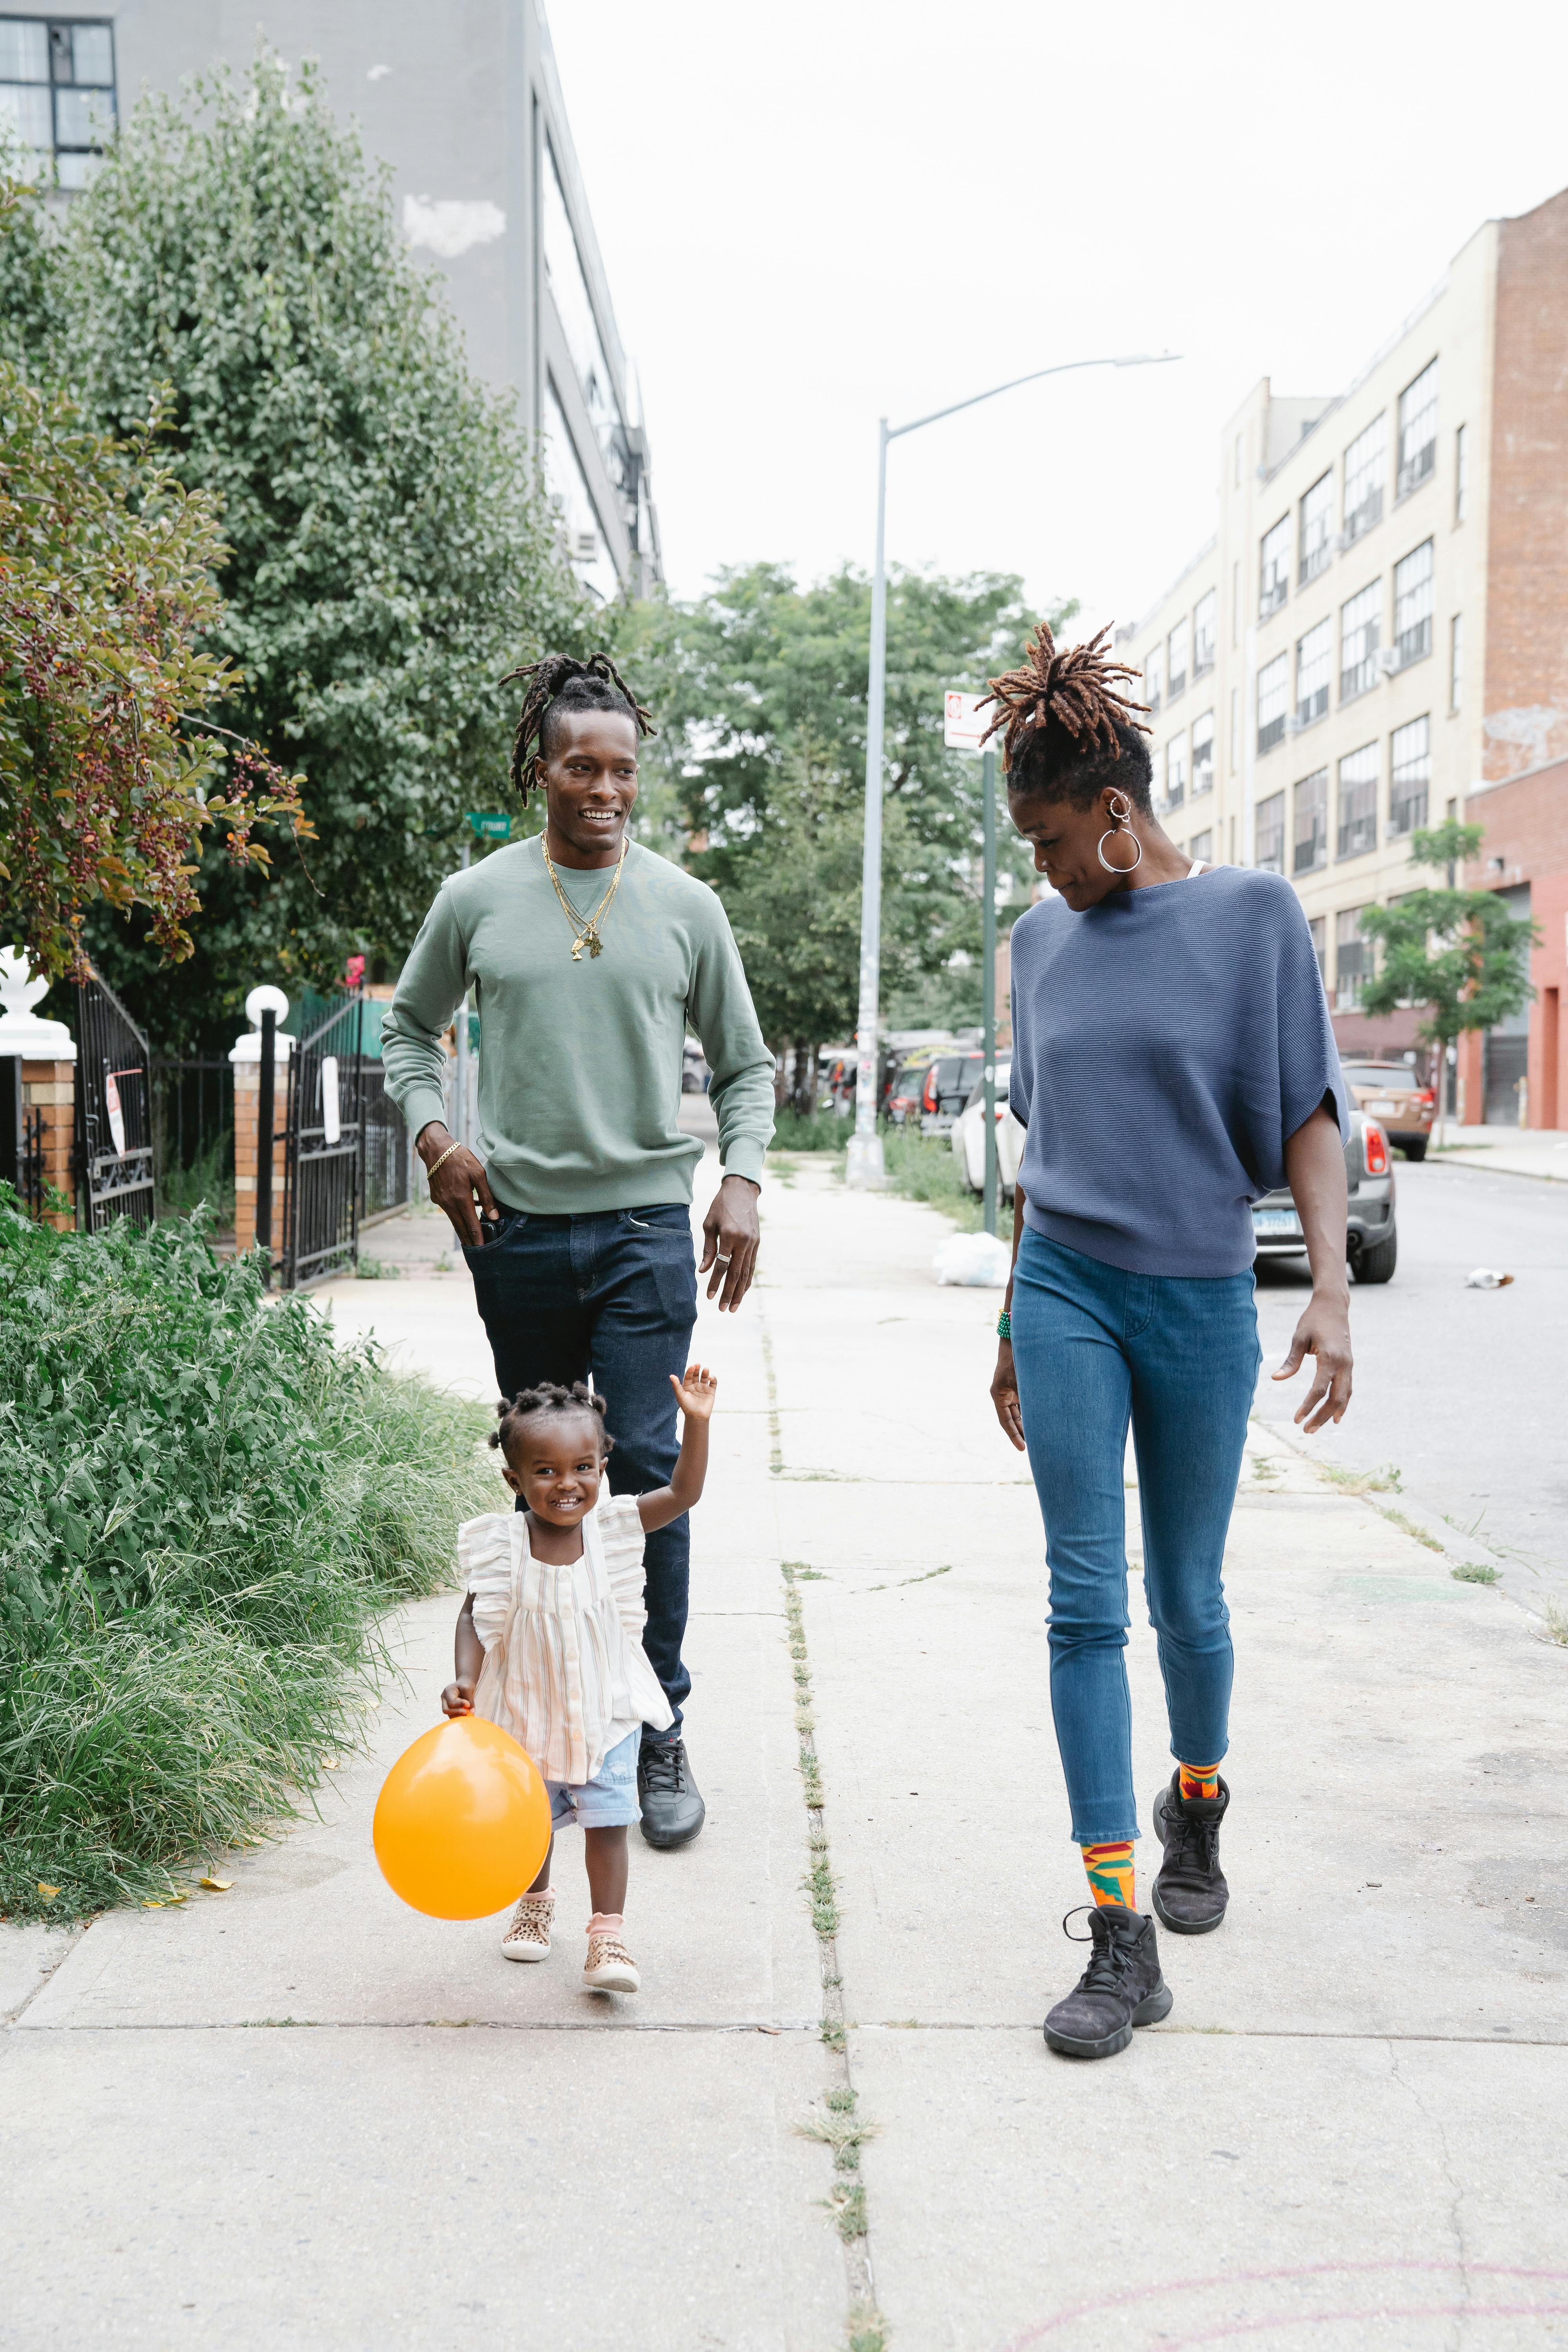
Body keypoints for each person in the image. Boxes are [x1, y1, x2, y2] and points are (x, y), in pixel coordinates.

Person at [982, 622, 1352, 2062]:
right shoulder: (1039, 942)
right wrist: (1015, 1318)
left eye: (1054, 838)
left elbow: (1308, 1115)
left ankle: (1197, 1793)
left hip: (1200, 1295)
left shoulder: (1254, 917)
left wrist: (1327, 1288)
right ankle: (1119, 1932)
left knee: (1187, 1597)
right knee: (1086, 1600)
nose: (1044, 870)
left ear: (1118, 815)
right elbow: (1043, 1148)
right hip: (1068, 1283)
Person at [383, 653, 775, 1852]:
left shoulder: (687, 908)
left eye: (623, 771)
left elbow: (749, 1069)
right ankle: (540, 1717)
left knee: (646, 1472)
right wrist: (440, 1141)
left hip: (648, 1227)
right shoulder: (479, 899)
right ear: (539, 771)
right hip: (517, 1233)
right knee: (545, 1483)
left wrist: (743, 1180)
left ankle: (656, 1723)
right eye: (581, 768)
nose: (606, 790)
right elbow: (407, 1033)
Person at [442, 1368, 717, 1993]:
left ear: (601, 1466)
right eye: (546, 1472)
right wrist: (464, 1678)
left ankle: (608, 1936)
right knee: (531, 1820)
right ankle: (535, 1904)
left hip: (606, 1709)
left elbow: (682, 1494)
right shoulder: (500, 1545)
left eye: (583, 1468)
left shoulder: (615, 1530)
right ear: (515, 1479)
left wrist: (696, 1423)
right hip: (525, 1711)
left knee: (609, 1819)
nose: (568, 1484)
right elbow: (473, 1614)